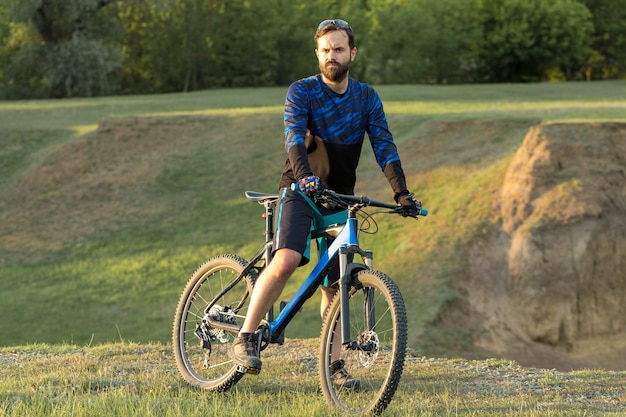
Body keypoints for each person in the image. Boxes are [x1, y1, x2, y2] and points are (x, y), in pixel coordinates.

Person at [230, 19, 420, 389]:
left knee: (337, 286)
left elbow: (384, 147)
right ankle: (246, 336)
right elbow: (293, 139)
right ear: (317, 54)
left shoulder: (366, 98)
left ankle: (333, 366)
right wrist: (304, 176)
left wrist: (402, 193)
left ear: (352, 52)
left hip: (339, 197)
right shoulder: (302, 91)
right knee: (285, 260)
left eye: (338, 49)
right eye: (325, 50)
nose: (332, 56)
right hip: (300, 190)